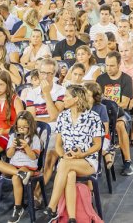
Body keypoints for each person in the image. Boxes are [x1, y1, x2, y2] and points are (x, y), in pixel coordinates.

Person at [37, 85, 104, 223]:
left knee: (64, 165)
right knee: (69, 173)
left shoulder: (93, 117)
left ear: (76, 98)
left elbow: (98, 145)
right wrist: (63, 155)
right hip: (68, 160)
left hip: (88, 160)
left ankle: (52, 207)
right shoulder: (63, 116)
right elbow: (58, 145)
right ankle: (72, 219)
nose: (63, 99)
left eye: (66, 96)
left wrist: (82, 154)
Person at [0, 113, 42, 223]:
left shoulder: (35, 139)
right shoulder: (13, 137)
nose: (21, 130)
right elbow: (8, 155)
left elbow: (34, 157)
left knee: (15, 177)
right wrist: (13, 146)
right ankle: (19, 173)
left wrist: (26, 147)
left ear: (30, 126)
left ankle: (18, 208)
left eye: (24, 127)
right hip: (14, 166)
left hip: (28, 167)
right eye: (19, 127)